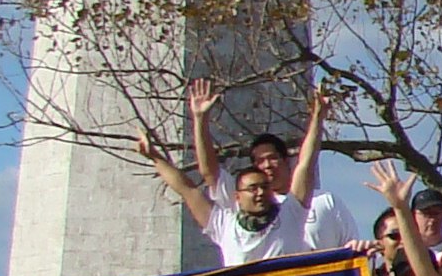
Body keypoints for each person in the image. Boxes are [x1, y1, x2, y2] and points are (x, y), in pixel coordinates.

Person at [135, 86, 332, 265]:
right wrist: (155, 156)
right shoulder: (224, 225)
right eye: (252, 188)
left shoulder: (291, 213)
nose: (260, 193)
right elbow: (188, 189)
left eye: (264, 187)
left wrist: (317, 118)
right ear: (237, 196)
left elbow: (306, 162)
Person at [186, 78, 358, 248]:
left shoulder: (325, 201)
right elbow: (210, 172)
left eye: (272, 158)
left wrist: (318, 119)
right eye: (260, 161)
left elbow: (307, 161)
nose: (267, 165)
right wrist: (200, 119)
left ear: (286, 161)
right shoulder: (245, 204)